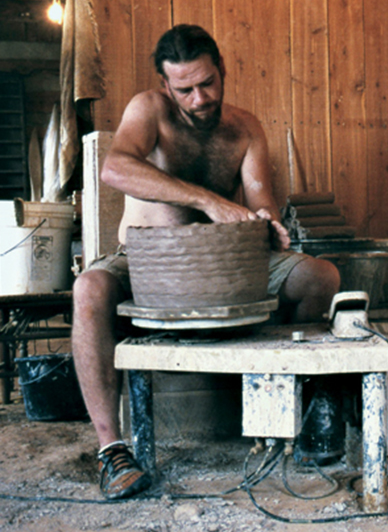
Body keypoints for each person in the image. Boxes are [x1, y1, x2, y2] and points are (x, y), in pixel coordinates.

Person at [71, 24, 340, 500]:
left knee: (321, 276)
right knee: (88, 288)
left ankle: (300, 412)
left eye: (207, 83)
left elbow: (261, 200)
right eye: (185, 89)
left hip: (227, 266)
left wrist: (267, 223)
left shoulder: (245, 127)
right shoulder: (149, 109)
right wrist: (211, 202)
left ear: (222, 71)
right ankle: (112, 451)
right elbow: (115, 168)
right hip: (147, 262)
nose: (199, 99)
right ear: (165, 86)